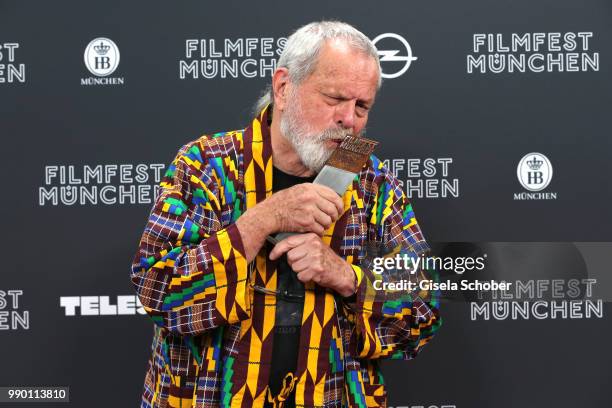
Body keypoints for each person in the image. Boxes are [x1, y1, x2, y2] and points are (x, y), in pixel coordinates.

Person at [131, 21, 441, 408]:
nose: (350, 119)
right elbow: (157, 291)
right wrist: (263, 219)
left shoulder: (372, 181)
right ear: (283, 87)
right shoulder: (205, 165)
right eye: (334, 98)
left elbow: (423, 308)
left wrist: (346, 277)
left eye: (362, 106)